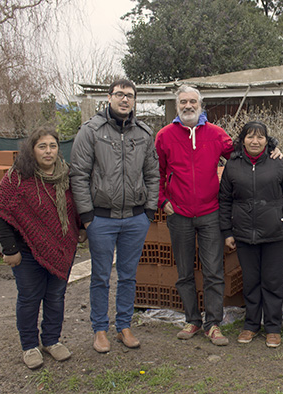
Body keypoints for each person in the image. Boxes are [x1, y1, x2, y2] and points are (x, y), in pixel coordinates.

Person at [155, 85, 283, 346]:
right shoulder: (164, 136)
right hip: (178, 213)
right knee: (184, 272)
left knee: (213, 271)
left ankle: (213, 324)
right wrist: (162, 200)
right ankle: (192, 320)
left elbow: (243, 154)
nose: (188, 105)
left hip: (210, 212)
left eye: (193, 101)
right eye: (183, 102)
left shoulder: (215, 134)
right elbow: (155, 172)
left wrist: (273, 149)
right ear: (176, 105)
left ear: (201, 105)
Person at [70, 79, 159, 352]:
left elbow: (153, 174)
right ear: (109, 97)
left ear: (134, 100)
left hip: (135, 218)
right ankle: (99, 330)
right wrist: (87, 215)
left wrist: (149, 211)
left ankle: (124, 326)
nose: (124, 100)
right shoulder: (91, 131)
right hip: (102, 219)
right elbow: (79, 175)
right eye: (119, 94)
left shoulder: (143, 133)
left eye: (129, 96)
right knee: (100, 276)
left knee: (128, 275)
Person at [0, 126, 85, 369]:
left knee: (55, 297)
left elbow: (76, 207)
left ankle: (52, 341)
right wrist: (9, 249)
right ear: (31, 149)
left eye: (53, 146)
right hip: (27, 252)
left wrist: (81, 228)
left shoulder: (67, 176)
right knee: (30, 298)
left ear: (58, 149)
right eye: (42, 146)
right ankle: (29, 346)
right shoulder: (16, 177)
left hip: (62, 248)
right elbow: (1, 213)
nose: (48, 151)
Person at [219, 121, 283, 348]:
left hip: (275, 233)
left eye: (260, 137)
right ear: (243, 139)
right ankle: (251, 325)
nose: (255, 141)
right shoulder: (233, 165)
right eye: (250, 137)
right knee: (251, 282)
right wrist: (227, 231)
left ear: (267, 140)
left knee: (273, 282)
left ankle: (273, 328)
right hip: (245, 235)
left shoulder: (279, 163)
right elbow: (225, 200)